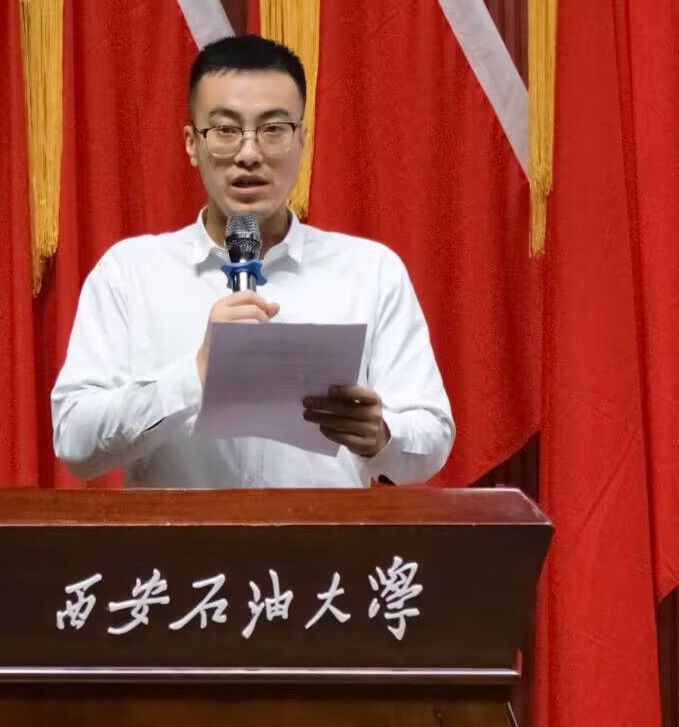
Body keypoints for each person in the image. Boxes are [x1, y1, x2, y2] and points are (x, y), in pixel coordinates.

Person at [51, 35, 454, 487]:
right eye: (225, 130)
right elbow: (74, 442)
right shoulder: (130, 273)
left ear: (302, 141)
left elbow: (433, 437)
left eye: (273, 129)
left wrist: (382, 435)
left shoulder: (371, 271)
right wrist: (196, 374)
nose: (248, 154)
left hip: (319, 535)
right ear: (192, 143)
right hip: (179, 536)